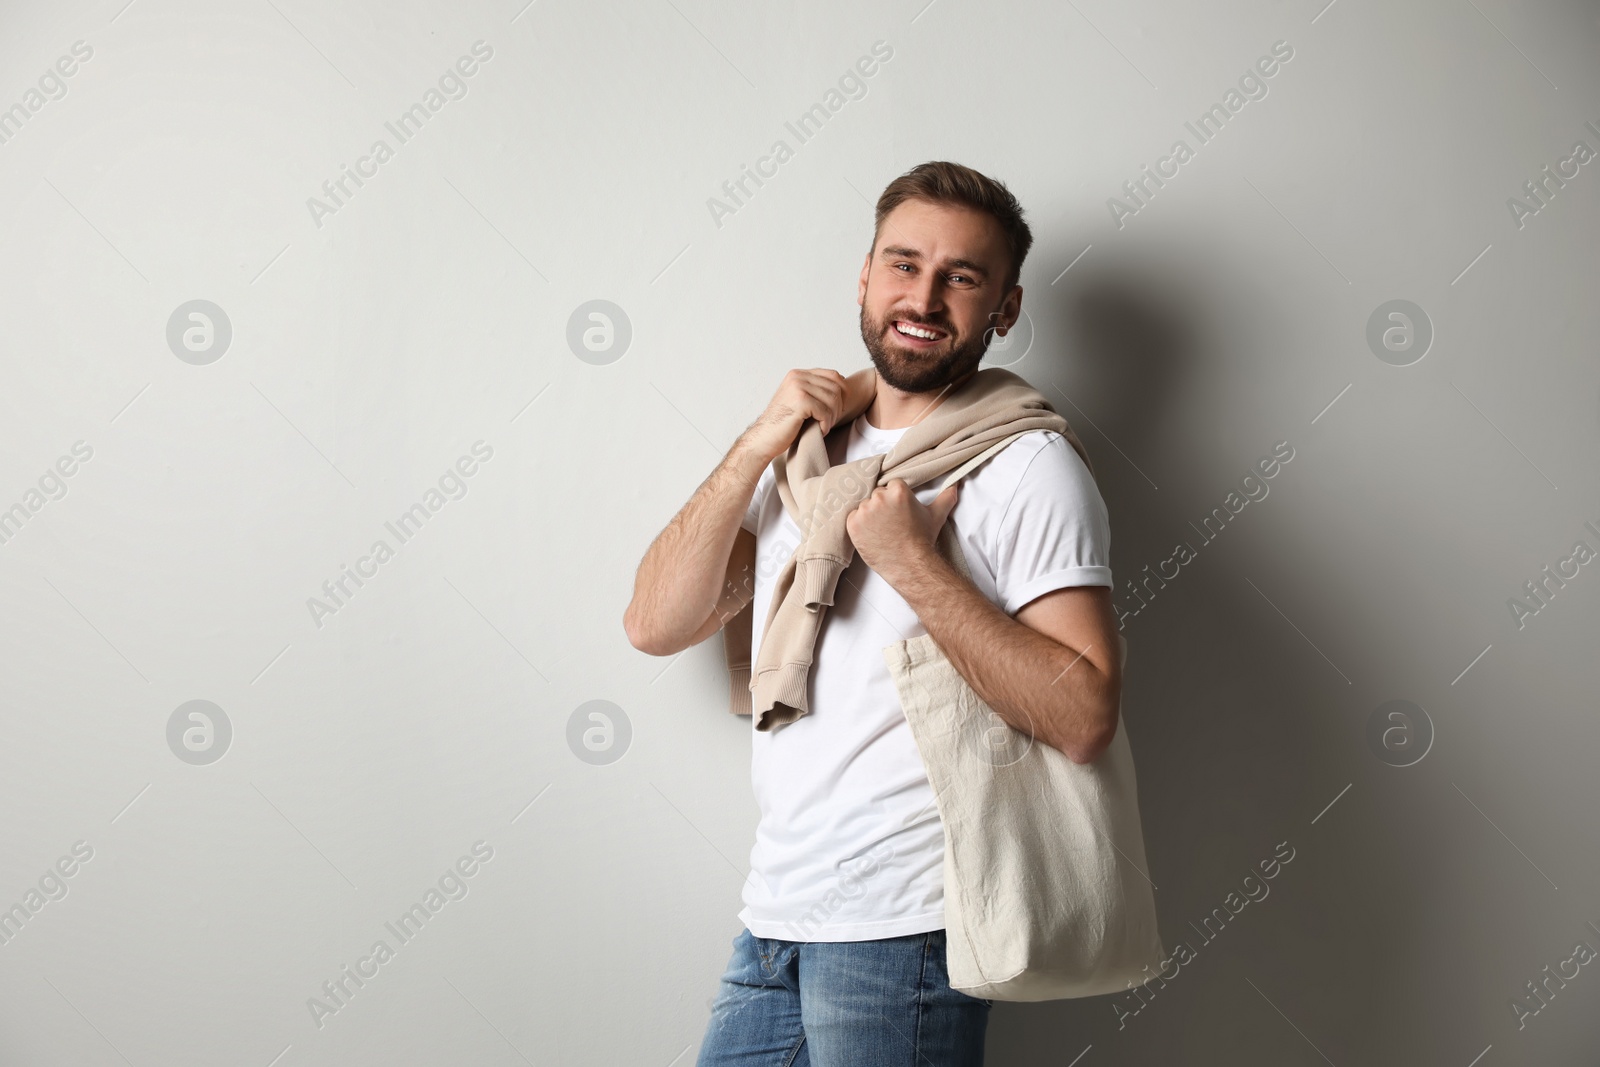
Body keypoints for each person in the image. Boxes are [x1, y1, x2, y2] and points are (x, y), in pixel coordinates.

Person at [624, 161, 1123, 1067]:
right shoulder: (806, 461)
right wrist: (754, 444)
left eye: (961, 277)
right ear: (864, 276)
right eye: (904, 264)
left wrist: (912, 564)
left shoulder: (1025, 464)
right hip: (777, 913)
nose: (923, 296)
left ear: (1004, 309)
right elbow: (657, 622)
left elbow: (1084, 715)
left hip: (907, 922)